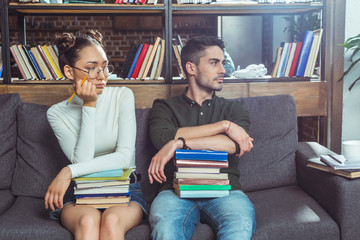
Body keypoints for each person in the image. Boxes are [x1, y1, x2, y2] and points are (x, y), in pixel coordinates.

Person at [147, 36, 256, 239]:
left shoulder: (233, 109)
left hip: (226, 191)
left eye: (223, 63)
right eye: (214, 63)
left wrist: (178, 143)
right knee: (166, 230)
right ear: (191, 68)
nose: (223, 70)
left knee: (240, 225)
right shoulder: (164, 107)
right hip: (174, 191)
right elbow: (163, 138)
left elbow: (233, 145)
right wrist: (224, 126)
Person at [44, 29, 146, 240]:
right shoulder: (56, 113)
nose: (102, 76)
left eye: (104, 66)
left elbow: (125, 158)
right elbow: (83, 161)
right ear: (70, 72)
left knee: (111, 222)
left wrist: (67, 171)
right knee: (88, 222)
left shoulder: (122, 96)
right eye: (92, 68)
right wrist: (89, 106)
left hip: (125, 188)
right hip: (81, 192)